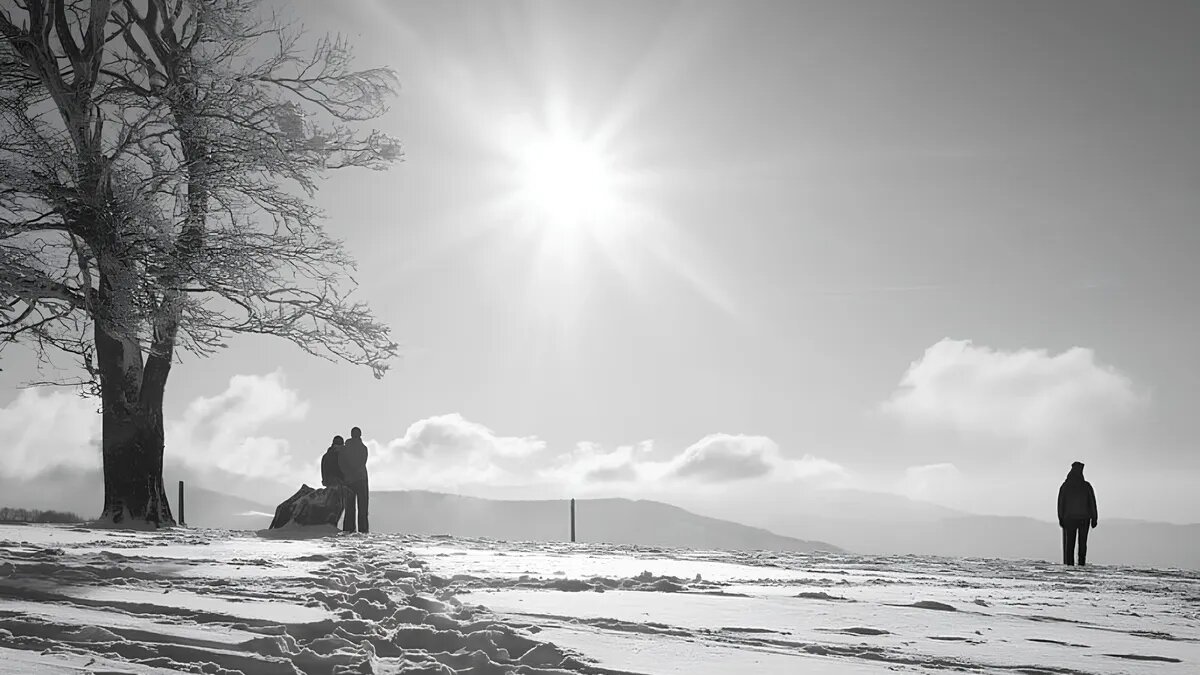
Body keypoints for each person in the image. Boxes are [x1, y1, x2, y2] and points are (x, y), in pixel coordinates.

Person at [1058, 461, 1098, 566]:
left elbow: (1061, 503)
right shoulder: (1086, 486)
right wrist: (1094, 518)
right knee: (1082, 544)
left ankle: (1069, 565)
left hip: (1069, 519)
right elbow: (1092, 502)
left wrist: (1061, 518)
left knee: (1069, 545)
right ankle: (1081, 564)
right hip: (1084, 519)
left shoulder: (1066, 486)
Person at [339, 426, 370, 533]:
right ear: (360, 435)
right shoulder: (363, 448)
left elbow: (341, 463)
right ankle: (363, 530)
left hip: (348, 480)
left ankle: (348, 529)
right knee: (363, 508)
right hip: (361, 479)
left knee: (349, 508)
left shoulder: (344, 449)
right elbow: (362, 463)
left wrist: (347, 473)